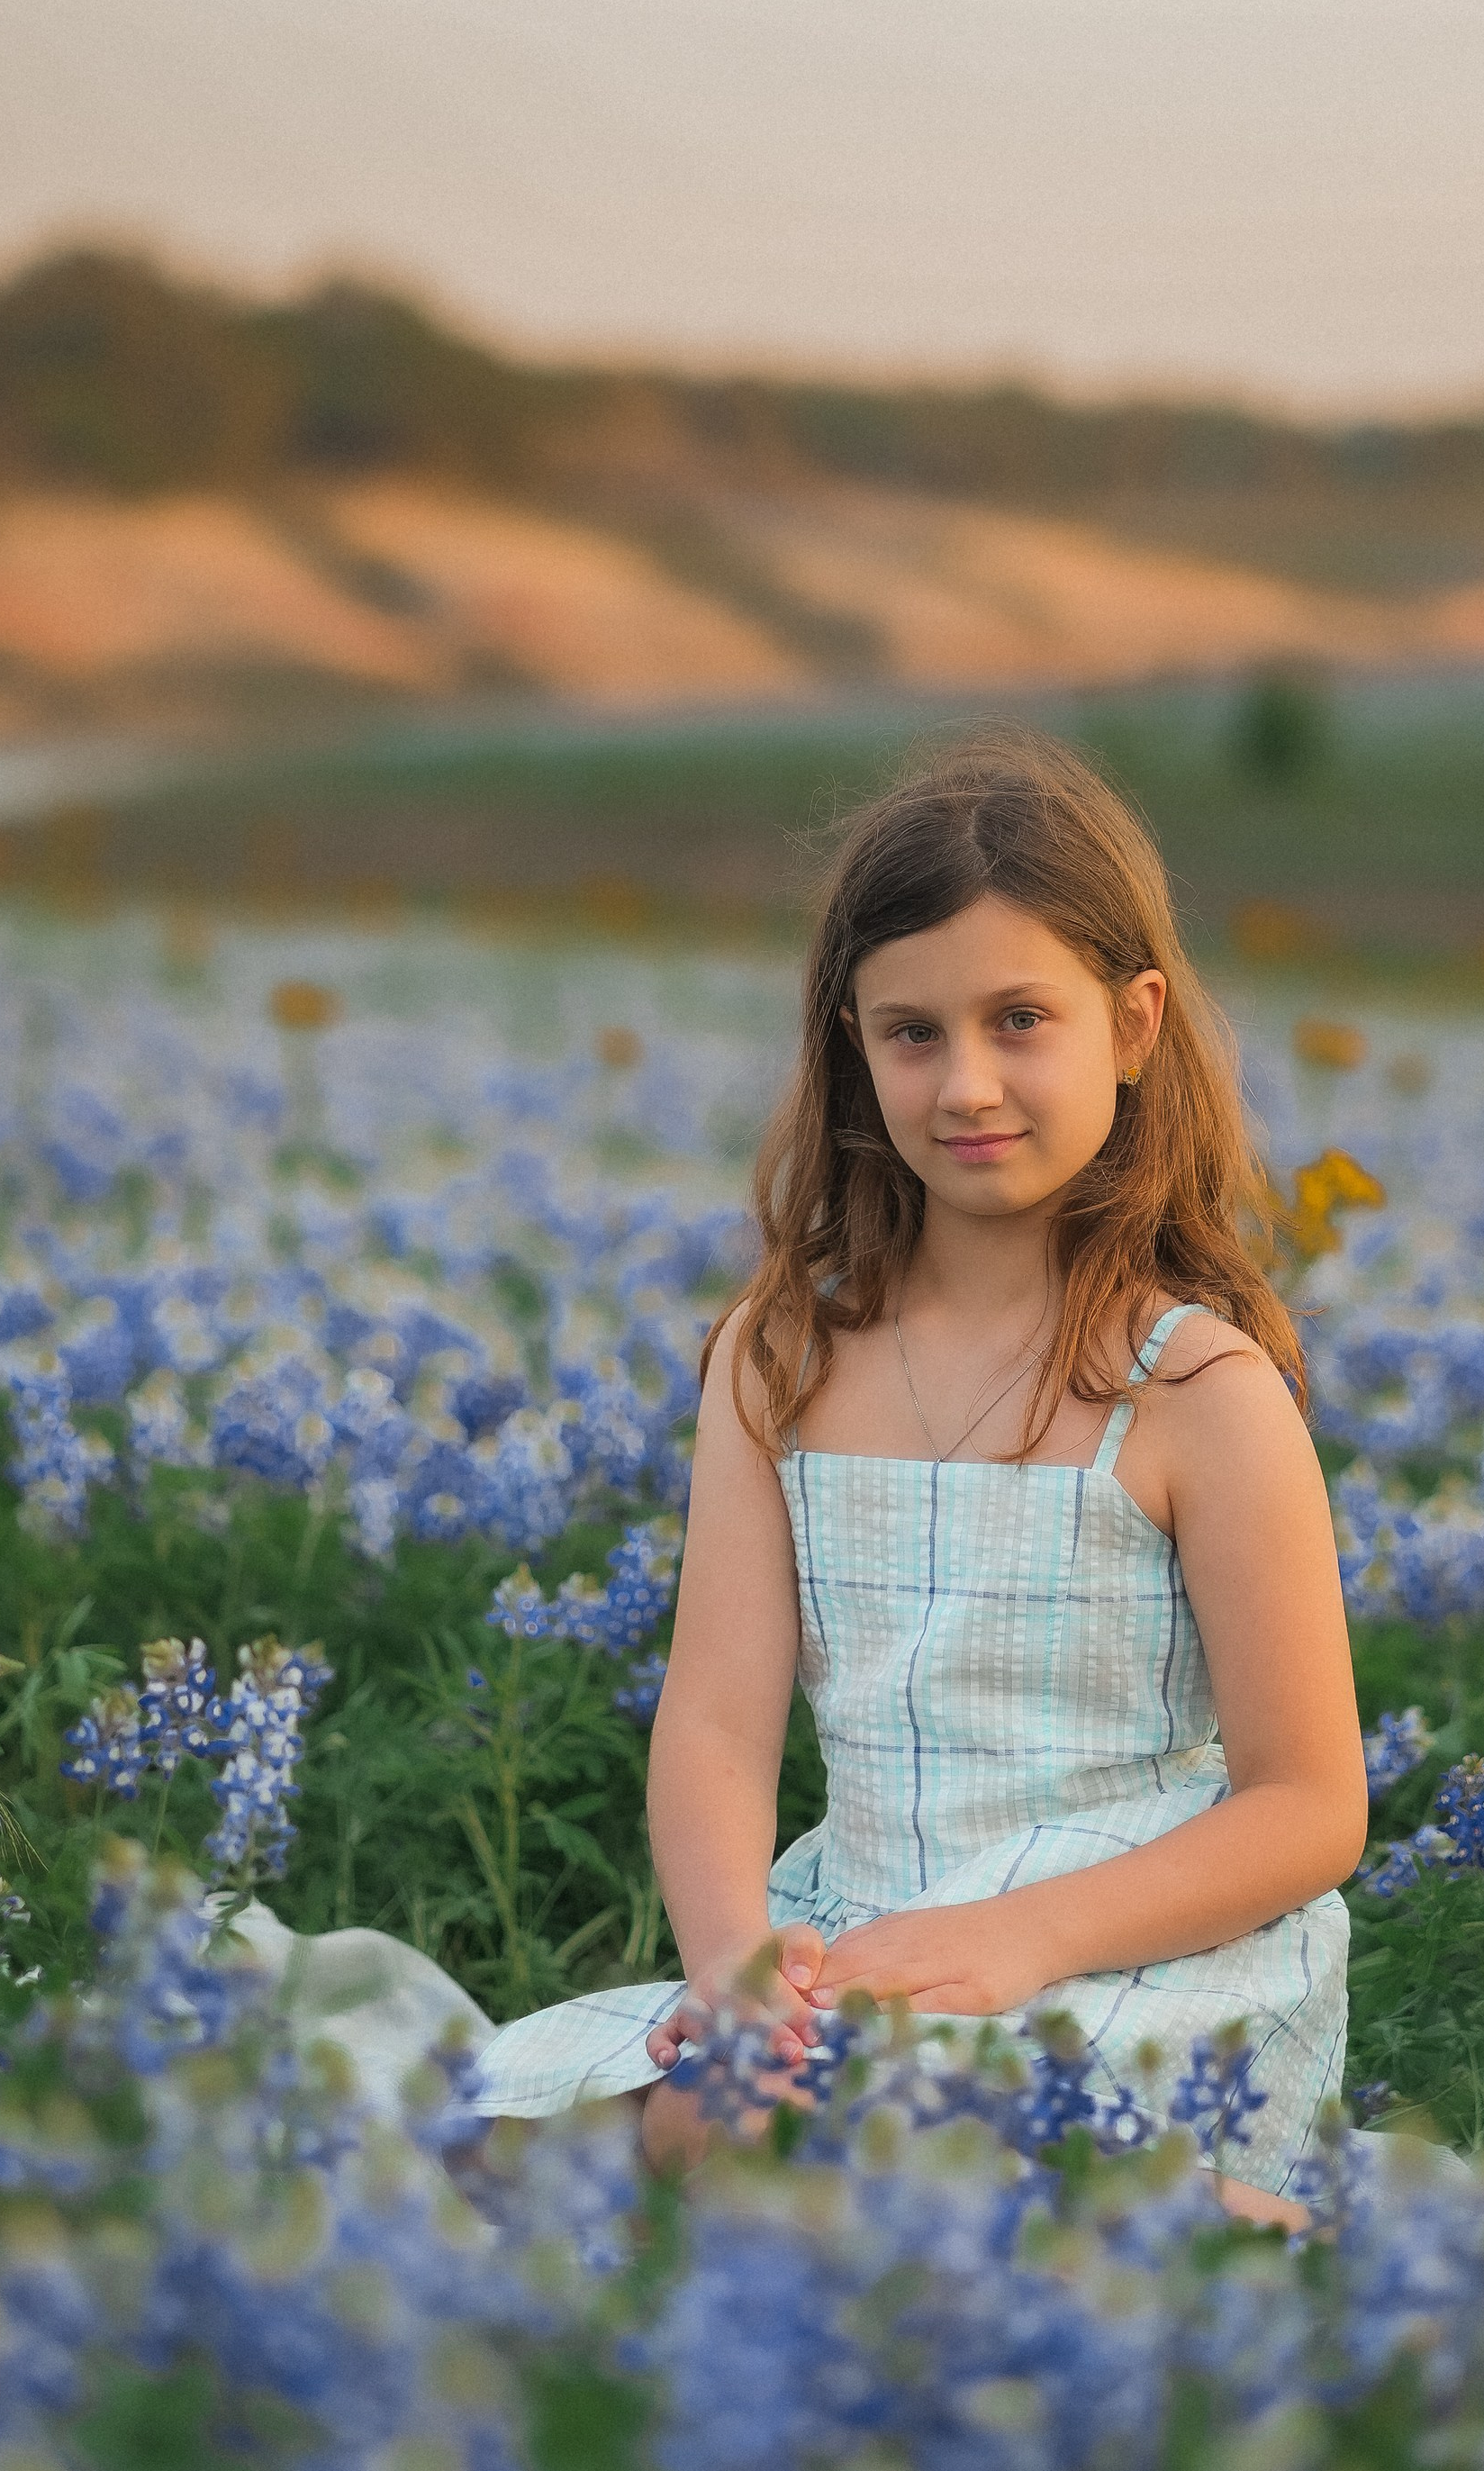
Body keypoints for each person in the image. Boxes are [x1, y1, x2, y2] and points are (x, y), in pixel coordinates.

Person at [466, 730, 1367, 2223]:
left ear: (1133, 1024)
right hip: (863, 1939)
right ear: (849, 1045)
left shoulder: (1199, 1391)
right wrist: (737, 1966)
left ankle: (1229, 2221)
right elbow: (710, 1718)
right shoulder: (778, 1357)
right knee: (500, 2146)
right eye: (910, 1033)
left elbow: (1307, 1804)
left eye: (1021, 1019)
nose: (967, 1084)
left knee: (889, 2167)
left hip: (1132, 1955)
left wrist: (1020, 1939)